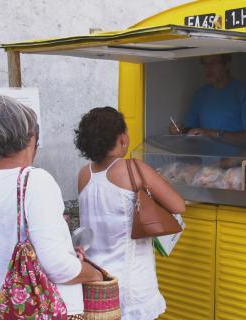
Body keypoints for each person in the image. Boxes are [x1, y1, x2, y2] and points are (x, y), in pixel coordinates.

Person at [0, 95, 102, 320]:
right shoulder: (35, 180)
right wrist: (93, 274)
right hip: (42, 309)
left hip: (1, 308)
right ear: (31, 137)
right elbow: (57, 266)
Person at [74, 107, 186, 319]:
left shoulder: (83, 175)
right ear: (122, 139)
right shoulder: (134, 169)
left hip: (98, 282)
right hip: (132, 285)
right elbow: (178, 205)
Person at [168, 54, 246, 139]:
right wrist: (179, 131)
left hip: (234, 156)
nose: (208, 68)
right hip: (205, 156)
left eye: (213, 63)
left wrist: (215, 134)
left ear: (227, 65)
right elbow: (190, 129)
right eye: (205, 64)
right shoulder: (200, 94)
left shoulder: (244, 93)